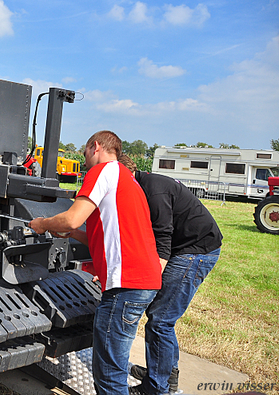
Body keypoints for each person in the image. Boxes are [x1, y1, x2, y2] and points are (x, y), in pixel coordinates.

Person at [29, 130, 162, 395]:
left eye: (85, 151)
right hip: (145, 281)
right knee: (116, 364)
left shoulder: (102, 171)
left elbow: (71, 218)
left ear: (96, 146)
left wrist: (43, 224)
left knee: (109, 377)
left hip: (125, 285)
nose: (85, 158)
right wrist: (72, 234)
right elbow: (109, 234)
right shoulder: (128, 180)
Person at [117, 155, 222, 395]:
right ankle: (163, 371)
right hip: (188, 248)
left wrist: (148, 284)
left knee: (160, 319)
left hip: (195, 251)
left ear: (126, 175)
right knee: (161, 318)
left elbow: (162, 242)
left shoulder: (154, 192)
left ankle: (156, 388)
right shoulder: (142, 187)